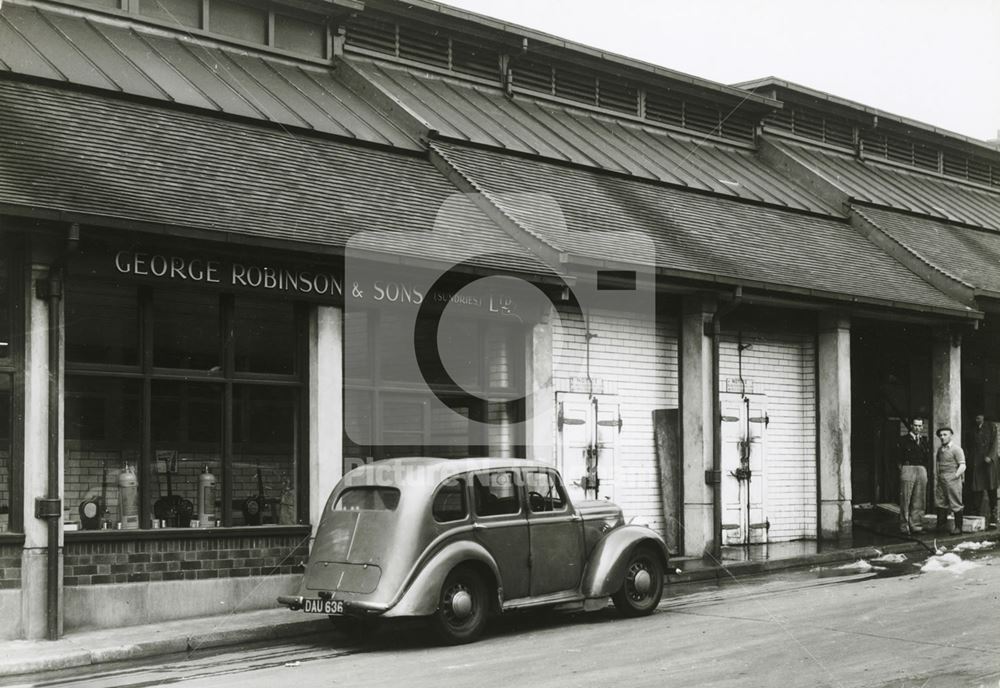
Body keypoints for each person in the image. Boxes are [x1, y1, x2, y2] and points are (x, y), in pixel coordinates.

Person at [965, 414, 999, 527]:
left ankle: (994, 515)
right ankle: (977, 514)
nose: (977, 419)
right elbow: (969, 446)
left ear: (983, 417)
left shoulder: (991, 426)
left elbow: (994, 443)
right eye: (975, 417)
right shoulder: (973, 430)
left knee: (991, 487)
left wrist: (990, 456)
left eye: (979, 417)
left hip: (989, 462)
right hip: (977, 462)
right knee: (977, 487)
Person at [897, 419, 929, 534]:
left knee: (919, 499)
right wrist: (902, 469)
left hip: (921, 468)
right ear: (911, 426)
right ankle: (904, 526)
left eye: (920, 426)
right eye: (915, 425)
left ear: (922, 427)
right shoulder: (903, 440)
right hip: (908, 468)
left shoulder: (924, 440)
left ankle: (916, 525)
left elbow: (927, 457)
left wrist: (924, 469)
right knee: (906, 498)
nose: (917, 428)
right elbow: (897, 457)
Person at [934, 427, 966, 534]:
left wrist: (955, 476)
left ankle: (958, 528)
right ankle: (941, 526)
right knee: (941, 502)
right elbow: (938, 464)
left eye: (945, 434)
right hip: (941, 478)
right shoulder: (940, 450)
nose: (942, 437)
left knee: (955, 502)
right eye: (941, 435)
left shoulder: (956, 449)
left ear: (951, 435)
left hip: (952, 479)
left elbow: (962, 465)